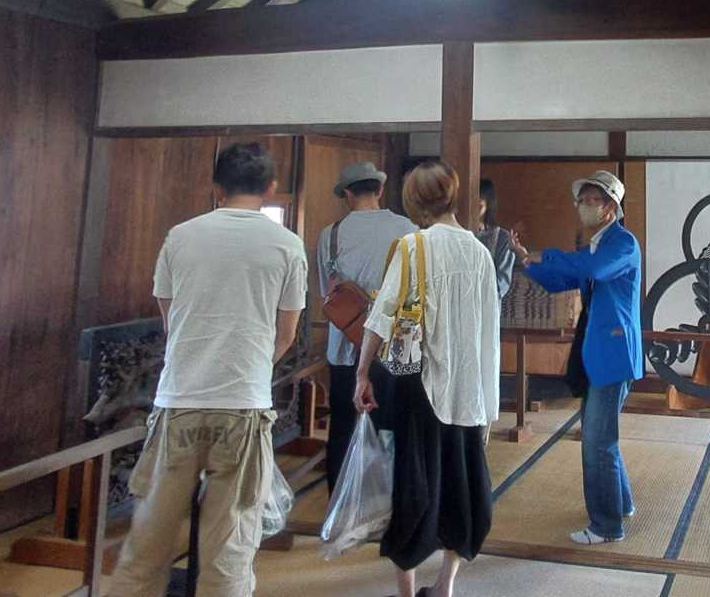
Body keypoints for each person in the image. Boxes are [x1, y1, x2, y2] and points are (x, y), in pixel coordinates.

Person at [107, 142, 308, 597]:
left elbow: (170, 317)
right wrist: (250, 366)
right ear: (271, 188)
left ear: (217, 188)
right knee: (228, 552)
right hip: (243, 407)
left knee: (145, 549)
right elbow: (286, 333)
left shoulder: (180, 236)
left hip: (179, 401)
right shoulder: (286, 245)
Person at [354, 161, 500, 597]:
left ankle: (407, 590)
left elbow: (382, 316)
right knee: (462, 488)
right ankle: (445, 585)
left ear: (414, 201)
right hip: (468, 390)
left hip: (419, 385)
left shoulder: (413, 246)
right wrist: (489, 399)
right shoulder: (479, 252)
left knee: (414, 488)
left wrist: (362, 372)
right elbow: (490, 330)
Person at [515, 170, 643, 546]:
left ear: (611, 207)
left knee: (598, 441)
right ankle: (621, 505)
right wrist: (530, 262)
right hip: (598, 352)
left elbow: (592, 269)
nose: (584, 206)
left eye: (592, 200)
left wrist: (546, 255)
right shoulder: (597, 245)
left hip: (613, 354)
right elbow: (562, 280)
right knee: (601, 436)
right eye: (581, 201)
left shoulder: (622, 243)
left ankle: (606, 526)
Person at [317, 160, 415, 489]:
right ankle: (388, 499)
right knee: (391, 426)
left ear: (346, 194)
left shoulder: (330, 235)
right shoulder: (406, 228)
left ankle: (339, 501)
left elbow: (328, 294)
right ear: (380, 189)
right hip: (392, 347)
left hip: (345, 348)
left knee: (343, 428)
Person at [474, 177, 520, 301]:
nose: (473, 209)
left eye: (478, 205)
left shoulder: (502, 238)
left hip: (487, 305)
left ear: (488, 206)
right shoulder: (458, 235)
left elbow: (501, 285)